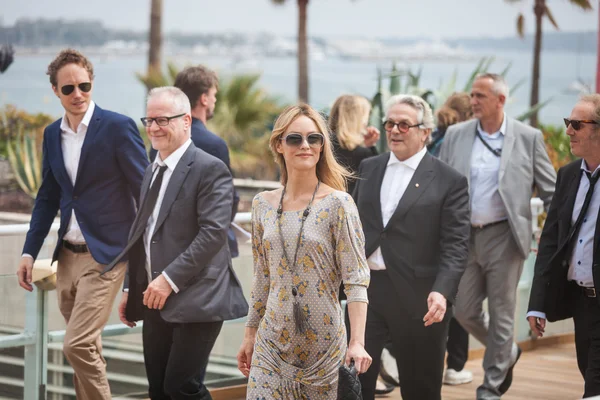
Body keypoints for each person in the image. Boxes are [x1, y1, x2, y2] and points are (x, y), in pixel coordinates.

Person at [16, 48, 148, 399]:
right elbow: (46, 198)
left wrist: (140, 255)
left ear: (92, 84)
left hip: (106, 255)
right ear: (56, 92)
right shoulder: (51, 135)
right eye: (69, 88)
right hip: (67, 258)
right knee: (87, 349)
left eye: (84, 85)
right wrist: (29, 252)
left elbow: (144, 190)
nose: (78, 94)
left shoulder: (118, 127)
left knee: (75, 345)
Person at [107, 87, 248, 399]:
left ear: (186, 121)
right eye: (149, 120)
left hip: (199, 297)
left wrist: (168, 280)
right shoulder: (152, 168)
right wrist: (131, 287)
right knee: (158, 389)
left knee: (181, 389)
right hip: (153, 297)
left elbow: (212, 234)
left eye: (163, 120)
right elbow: (142, 233)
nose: (154, 127)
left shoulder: (210, 169)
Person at [236, 104, 372, 399]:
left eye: (314, 138)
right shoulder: (262, 204)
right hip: (271, 346)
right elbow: (262, 278)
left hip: (323, 348)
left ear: (323, 146)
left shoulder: (339, 204)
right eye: (295, 138)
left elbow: (356, 279)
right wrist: (250, 334)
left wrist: (358, 342)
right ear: (279, 145)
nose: (305, 145)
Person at [439, 73, 556, 399]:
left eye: (480, 95)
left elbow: (551, 191)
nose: (473, 100)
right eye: (472, 95)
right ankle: (507, 353)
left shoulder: (527, 137)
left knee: (504, 314)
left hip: (505, 236)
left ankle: (490, 388)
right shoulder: (456, 135)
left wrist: (558, 235)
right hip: (463, 237)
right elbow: (442, 184)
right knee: (463, 310)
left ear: (500, 100)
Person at [354, 94, 471, 400]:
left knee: (421, 388)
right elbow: (352, 229)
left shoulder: (450, 181)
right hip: (365, 292)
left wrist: (442, 291)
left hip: (421, 297)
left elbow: (456, 246)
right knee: (354, 384)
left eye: (404, 125)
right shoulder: (368, 167)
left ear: (425, 132)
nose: (394, 130)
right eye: (390, 123)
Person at [528, 95, 600, 398]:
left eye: (576, 124)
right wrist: (537, 301)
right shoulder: (568, 174)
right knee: (588, 371)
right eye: (567, 123)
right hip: (582, 302)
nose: (568, 131)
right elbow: (550, 242)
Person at [150, 65, 240, 257]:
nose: (215, 100)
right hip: (205, 250)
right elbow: (227, 200)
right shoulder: (214, 145)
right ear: (204, 98)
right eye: (213, 94)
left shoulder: (157, 144)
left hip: (166, 248)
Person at [429, 92, 475, 386]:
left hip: (429, 230)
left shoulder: (434, 137)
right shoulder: (458, 143)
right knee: (457, 298)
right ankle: (454, 366)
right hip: (451, 230)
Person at [328, 94, 380, 194]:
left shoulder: (323, 145)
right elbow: (376, 180)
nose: (366, 122)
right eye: (366, 117)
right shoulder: (362, 154)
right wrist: (371, 147)